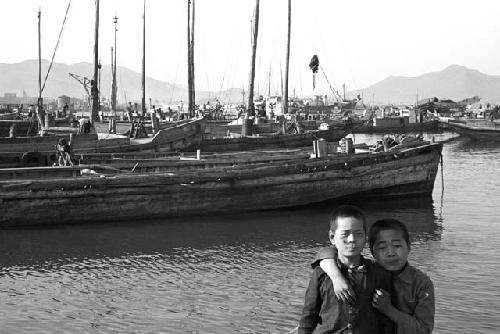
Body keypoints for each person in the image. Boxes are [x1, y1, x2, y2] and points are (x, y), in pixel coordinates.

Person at [315, 218, 435, 334]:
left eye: (397, 246)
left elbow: (424, 330)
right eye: (382, 248)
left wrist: (389, 310)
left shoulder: (421, 283)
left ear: (409, 247)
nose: (391, 253)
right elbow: (325, 253)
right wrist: (337, 278)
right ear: (373, 252)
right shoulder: (364, 272)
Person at [298, 205, 394, 334]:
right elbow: (308, 316)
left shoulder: (379, 274)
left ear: (365, 237)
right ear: (332, 238)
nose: (352, 240)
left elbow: (386, 322)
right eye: (345, 234)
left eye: (358, 234)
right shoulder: (321, 274)